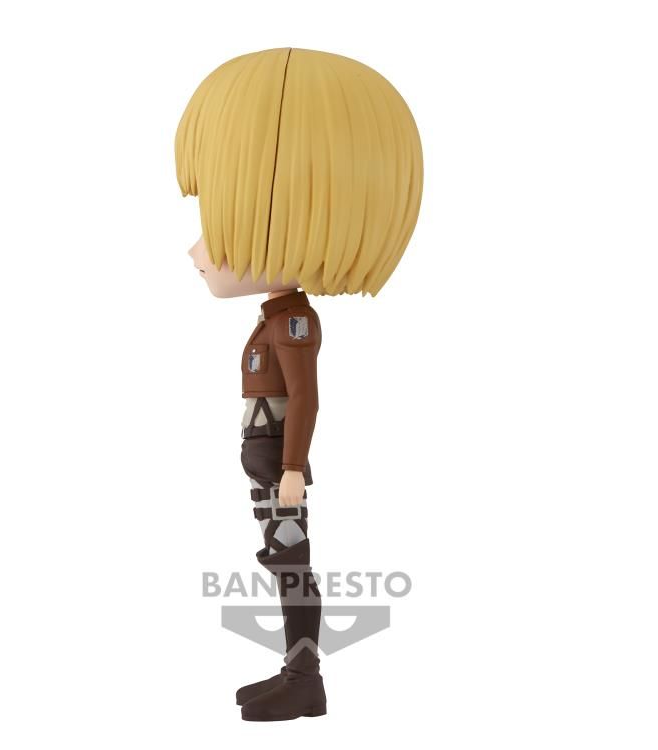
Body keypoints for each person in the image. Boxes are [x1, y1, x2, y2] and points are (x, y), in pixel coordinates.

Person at [176, 47, 423, 721]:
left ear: (282, 226)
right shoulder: (274, 318)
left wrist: (291, 469)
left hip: (277, 464)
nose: (197, 252)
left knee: (291, 563)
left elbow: (306, 399)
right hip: (264, 462)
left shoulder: (293, 325)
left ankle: (305, 678)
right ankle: (294, 670)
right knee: (279, 559)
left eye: (219, 221)